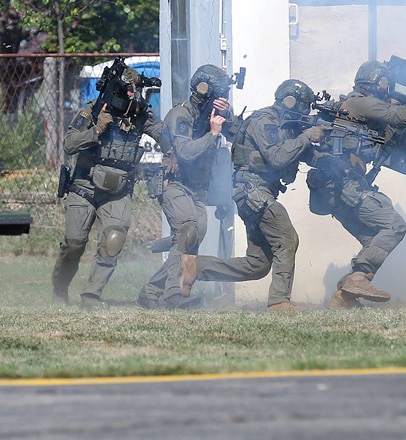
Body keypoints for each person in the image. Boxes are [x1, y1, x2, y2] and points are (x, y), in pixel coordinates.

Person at [177, 79, 327, 310]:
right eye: (303, 107)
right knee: (287, 239)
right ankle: (279, 301)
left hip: (255, 193)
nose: (305, 113)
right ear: (290, 101)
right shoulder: (265, 120)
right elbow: (278, 157)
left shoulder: (286, 128)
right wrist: (307, 136)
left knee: (258, 264)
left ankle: (197, 266)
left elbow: (303, 154)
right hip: (253, 190)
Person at [306, 60, 406, 308]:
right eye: (384, 83)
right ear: (377, 82)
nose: (386, 88)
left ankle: (344, 297)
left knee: (373, 241)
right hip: (345, 184)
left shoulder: (357, 107)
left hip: (336, 188)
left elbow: (388, 133)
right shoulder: (359, 102)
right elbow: (399, 116)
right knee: (394, 225)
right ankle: (357, 278)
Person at [51, 66, 163, 308]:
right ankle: (59, 290)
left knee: (113, 239)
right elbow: (69, 144)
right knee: (74, 243)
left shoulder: (140, 114)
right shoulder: (93, 109)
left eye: (137, 91)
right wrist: (97, 129)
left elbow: (166, 135)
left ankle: (91, 295)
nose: (133, 96)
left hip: (117, 191)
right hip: (84, 187)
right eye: (130, 91)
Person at [136, 65, 233, 309]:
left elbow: (238, 137)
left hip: (198, 188)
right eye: (218, 93)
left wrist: (228, 118)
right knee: (187, 230)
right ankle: (174, 294)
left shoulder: (209, 115)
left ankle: (150, 291)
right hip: (175, 184)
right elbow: (185, 152)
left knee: (189, 244)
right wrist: (212, 134)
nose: (221, 98)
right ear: (203, 90)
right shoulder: (180, 115)